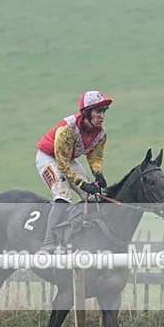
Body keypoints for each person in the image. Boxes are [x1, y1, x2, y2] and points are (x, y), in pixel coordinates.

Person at [35, 90, 112, 252]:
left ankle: (80, 234)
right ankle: (48, 243)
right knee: (63, 196)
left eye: (104, 111)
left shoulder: (101, 133)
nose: (102, 116)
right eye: (98, 111)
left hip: (68, 159)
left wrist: (99, 174)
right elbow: (62, 164)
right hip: (48, 158)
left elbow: (95, 156)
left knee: (93, 197)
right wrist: (82, 183)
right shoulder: (67, 129)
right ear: (86, 112)